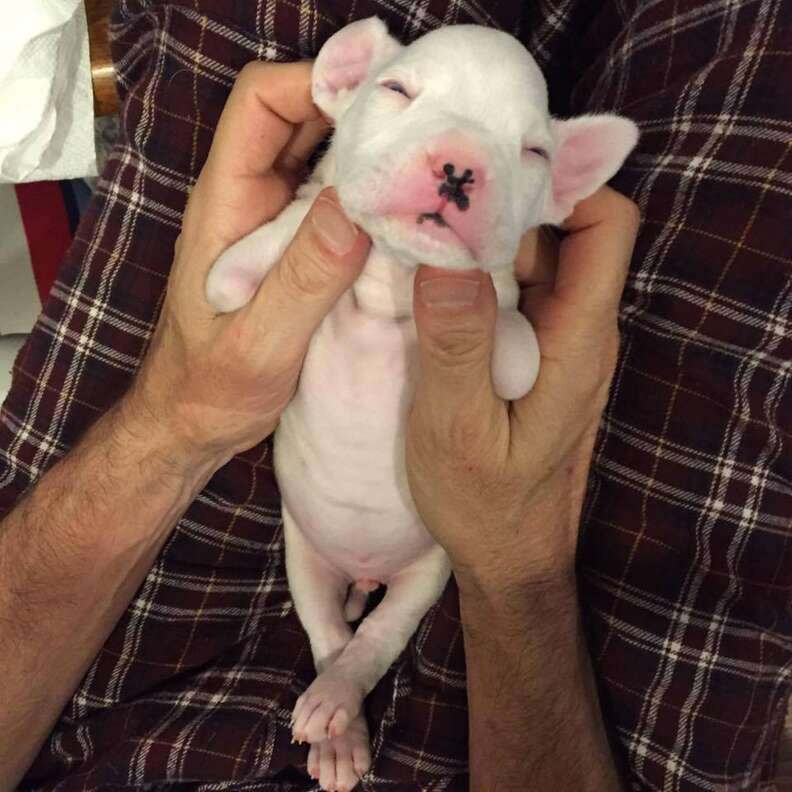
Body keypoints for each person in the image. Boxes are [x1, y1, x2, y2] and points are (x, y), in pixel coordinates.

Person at [1, 2, 790, 790]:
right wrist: (517, 568)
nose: (456, 166)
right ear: (345, 79)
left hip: (313, 565)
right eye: (400, 93)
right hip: (476, 606)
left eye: (528, 153)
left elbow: (228, 284)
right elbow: (513, 371)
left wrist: (178, 414)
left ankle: (341, 669)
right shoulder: (359, 224)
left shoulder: (436, 254)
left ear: (561, 184)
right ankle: (340, 668)